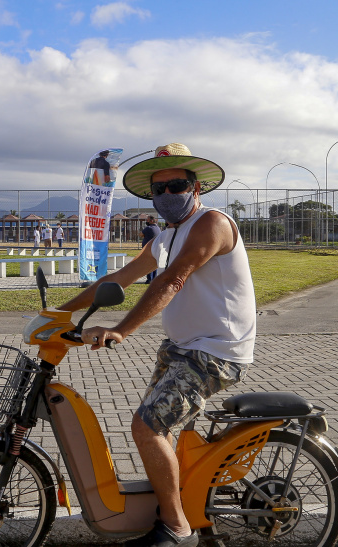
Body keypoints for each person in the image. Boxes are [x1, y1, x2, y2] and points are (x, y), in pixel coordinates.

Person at [57, 142, 255, 547]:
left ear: (196, 187)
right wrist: (59, 313)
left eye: (176, 185)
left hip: (215, 352)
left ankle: (178, 528)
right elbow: (118, 280)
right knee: (155, 428)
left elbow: (173, 280)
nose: (167, 195)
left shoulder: (211, 223)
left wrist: (121, 330)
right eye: (158, 190)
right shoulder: (168, 234)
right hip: (182, 347)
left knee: (147, 427)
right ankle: (178, 504)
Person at [141, 215, 161, 284]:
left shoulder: (148, 228)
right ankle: (154, 278)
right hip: (156, 248)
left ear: (151, 221)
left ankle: (149, 279)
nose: (146, 221)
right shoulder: (158, 228)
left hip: (148, 249)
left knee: (148, 264)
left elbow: (140, 234)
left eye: (147, 220)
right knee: (154, 264)